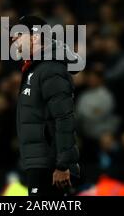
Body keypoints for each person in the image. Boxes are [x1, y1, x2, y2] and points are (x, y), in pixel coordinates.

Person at [11, 15, 81, 196]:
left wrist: (62, 165)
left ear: (35, 37)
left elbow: (64, 118)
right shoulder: (36, 69)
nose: (13, 38)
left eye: (19, 34)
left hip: (50, 167)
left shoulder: (50, 69)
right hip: (40, 163)